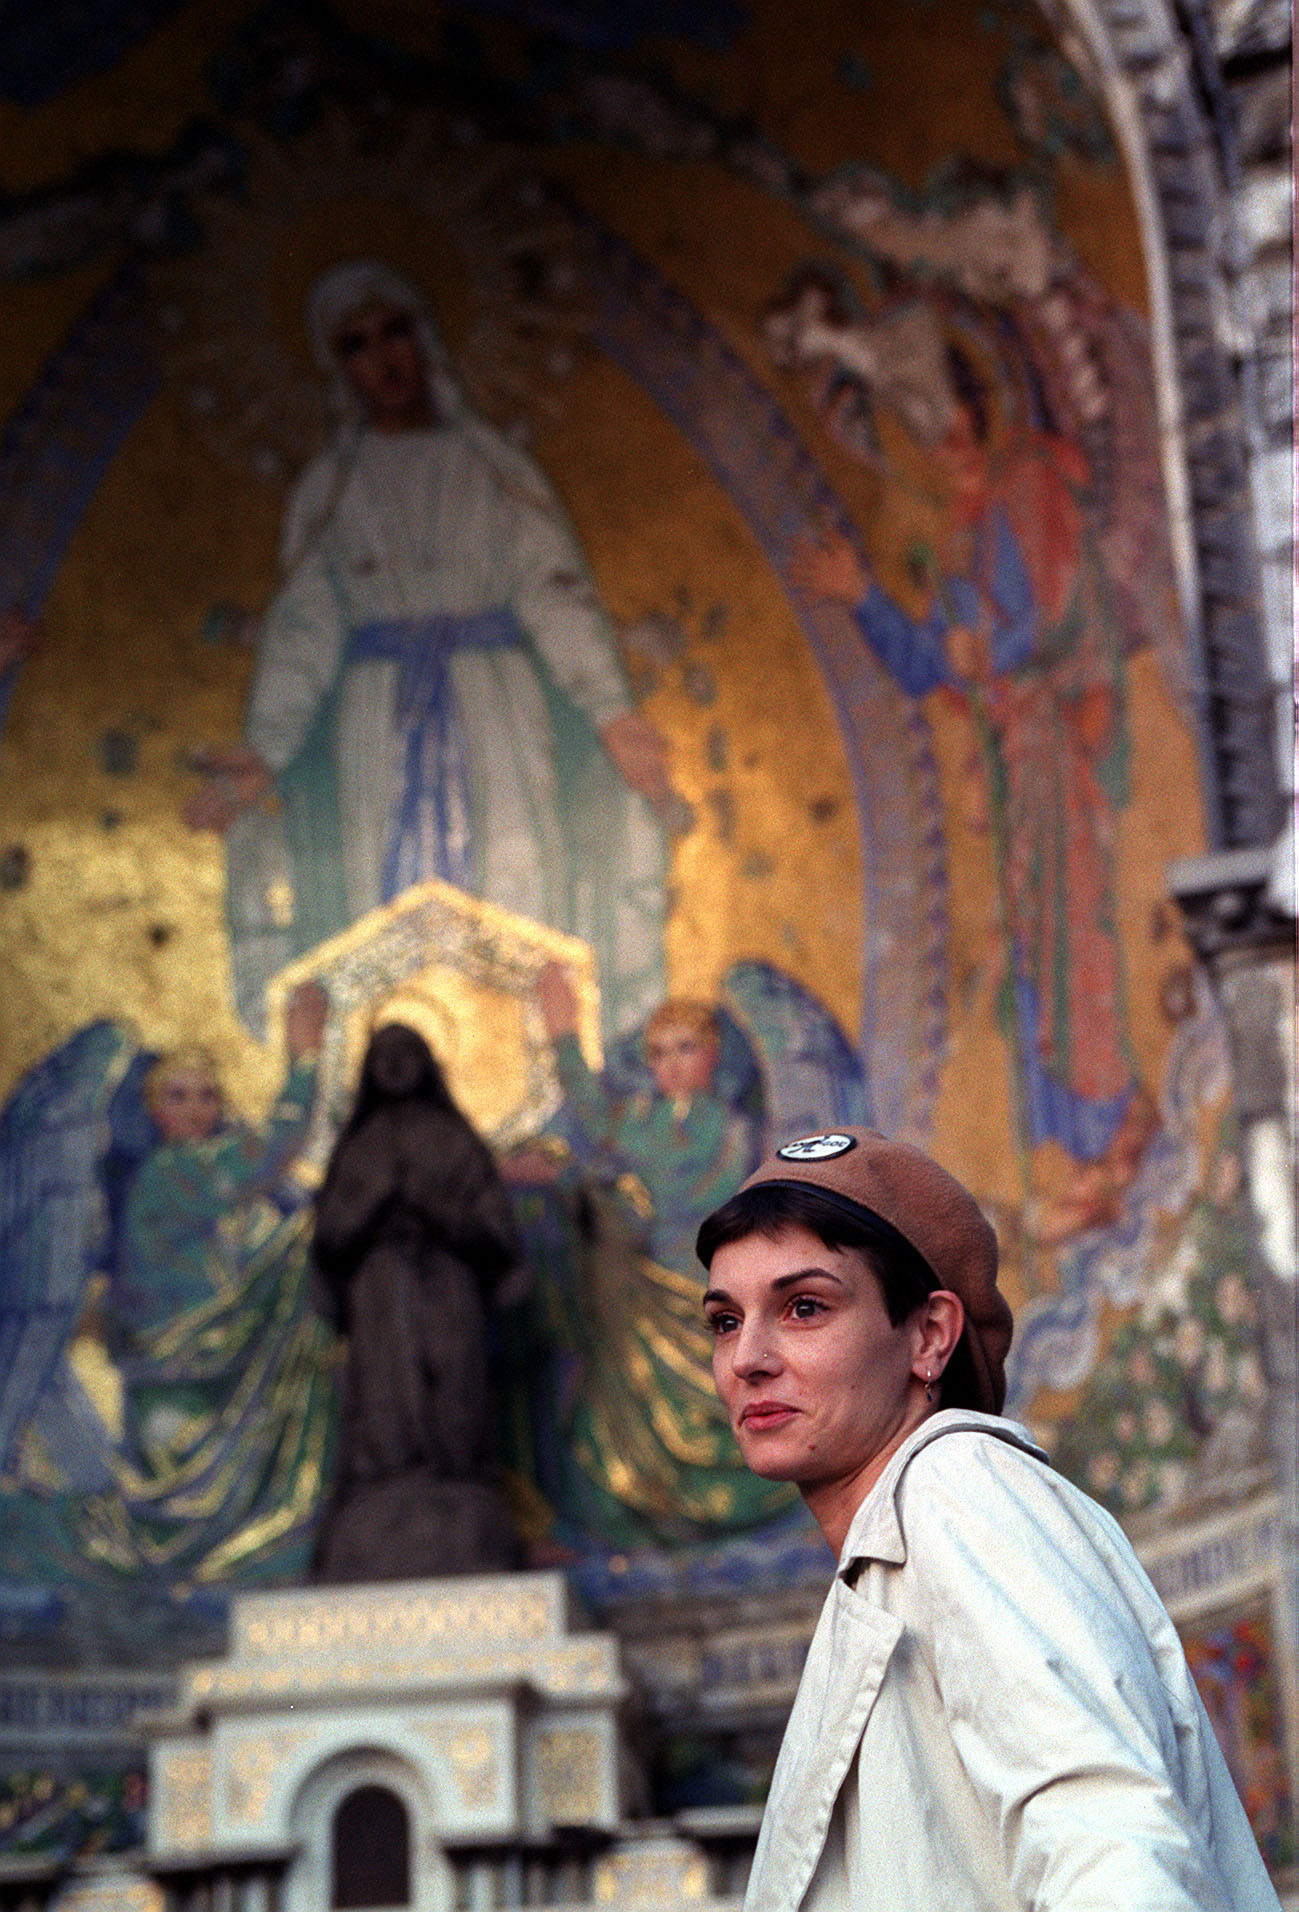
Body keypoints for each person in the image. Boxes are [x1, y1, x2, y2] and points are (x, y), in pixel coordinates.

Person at [696, 1127, 1280, 1911]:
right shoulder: (889, 1553)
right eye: (724, 1320)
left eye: (803, 1307)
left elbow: (1105, 1840)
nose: (746, 1358)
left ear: (929, 1336)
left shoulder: (957, 1484)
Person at [187, 259, 670, 1043]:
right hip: (377, 720)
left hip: (495, 712)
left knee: (518, 880)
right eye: (356, 344)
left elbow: (555, 591)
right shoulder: (333, 486)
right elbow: (304, 625)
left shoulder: (492, 470)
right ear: (335, 367)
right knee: (377, 894)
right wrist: (267, 748)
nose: (382, 358)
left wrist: (611, 713)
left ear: (427, 339)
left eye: (395, 332)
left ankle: (533, 1089)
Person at [790, 350, 1157, 1237]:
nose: (944, 441)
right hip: (1009, 763)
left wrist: (985, 653)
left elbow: (1054, 616)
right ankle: (1075, 1161)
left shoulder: (1029, 487)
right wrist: (864, 595)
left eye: (951, 416)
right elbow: (926, 666)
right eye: (920, 431)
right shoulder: (957, 528)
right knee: (1034, 954)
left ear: (980, 406)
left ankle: (1117, 1141)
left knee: (1073, 940)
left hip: (1054, 752)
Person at [501, 961, 782, 1542]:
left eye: (686, 1049)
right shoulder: (641, 1117)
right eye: (659, 1053)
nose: (672, 1064)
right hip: (635, 1295)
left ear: (711, 1057)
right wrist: (563, 1035)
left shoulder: (726, 1131)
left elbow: (661, 1180)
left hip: (691, 1283)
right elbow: (596, 1123)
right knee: (610, 1411)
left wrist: (594, 1176)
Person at [99, 980, 338, 1585]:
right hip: (183, 1366)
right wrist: (305, 1057)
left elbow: (259, 1245)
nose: (195, 1108)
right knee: (178, 1490)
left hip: (208, 1361)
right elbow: (273, 1151)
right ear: (155, 1110)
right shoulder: (174, 1174)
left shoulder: (202, 1184)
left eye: (208, 1096)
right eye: (178, 1097)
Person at [310, 1020, 523, 1579]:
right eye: (385, 1055)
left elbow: (498, 1233)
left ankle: (457, 1476)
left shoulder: (454, 1140)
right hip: (378, 1292)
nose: (397, 1065)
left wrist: (438, 1213)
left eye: (409, 1053)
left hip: (448, 1285)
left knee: (453, 1384)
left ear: (429, 1062)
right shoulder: (360, 1145)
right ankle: (385, 1478)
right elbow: (328, 1238)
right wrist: (372, 1204)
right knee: (383, 1390)